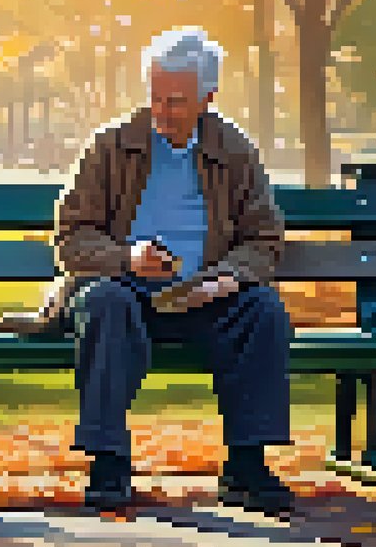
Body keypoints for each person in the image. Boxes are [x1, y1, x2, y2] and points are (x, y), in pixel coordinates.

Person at [49, 26, 294, 515]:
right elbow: (71, 237)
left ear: (208, 97)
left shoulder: (236, 151)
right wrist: (127, 259)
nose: (161, 111)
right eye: (155, 97)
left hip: (206, 295)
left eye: (176, 101)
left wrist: (230, 278)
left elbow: (264, 239)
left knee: (264, 308)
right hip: (127, 292)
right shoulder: (111, 147)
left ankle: (247, 464)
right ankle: (108, 460)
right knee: (103, 301)